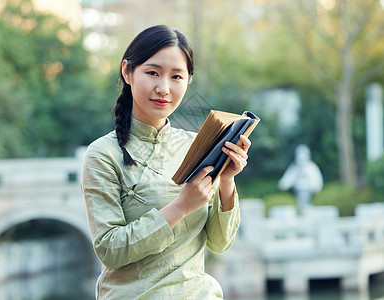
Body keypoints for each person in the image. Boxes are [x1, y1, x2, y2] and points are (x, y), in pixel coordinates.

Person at [81, 25, 251, 299]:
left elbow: (220, 243)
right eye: (152, 73)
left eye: (176, 77)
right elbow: (110, 250)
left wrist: (227, 180)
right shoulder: (103, 154)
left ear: (188, 81)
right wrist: (181, 206)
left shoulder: (198, 145)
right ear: (128, 72)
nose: (163, 88)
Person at [278, 144, 323, 214]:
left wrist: (316, 187)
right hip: (297, 190)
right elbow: (289, 177)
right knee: (299, 206)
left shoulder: (311, 167)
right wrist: (283, 184)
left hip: (308, 190)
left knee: (306, 206)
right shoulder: (295, 167)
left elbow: (316, 178)